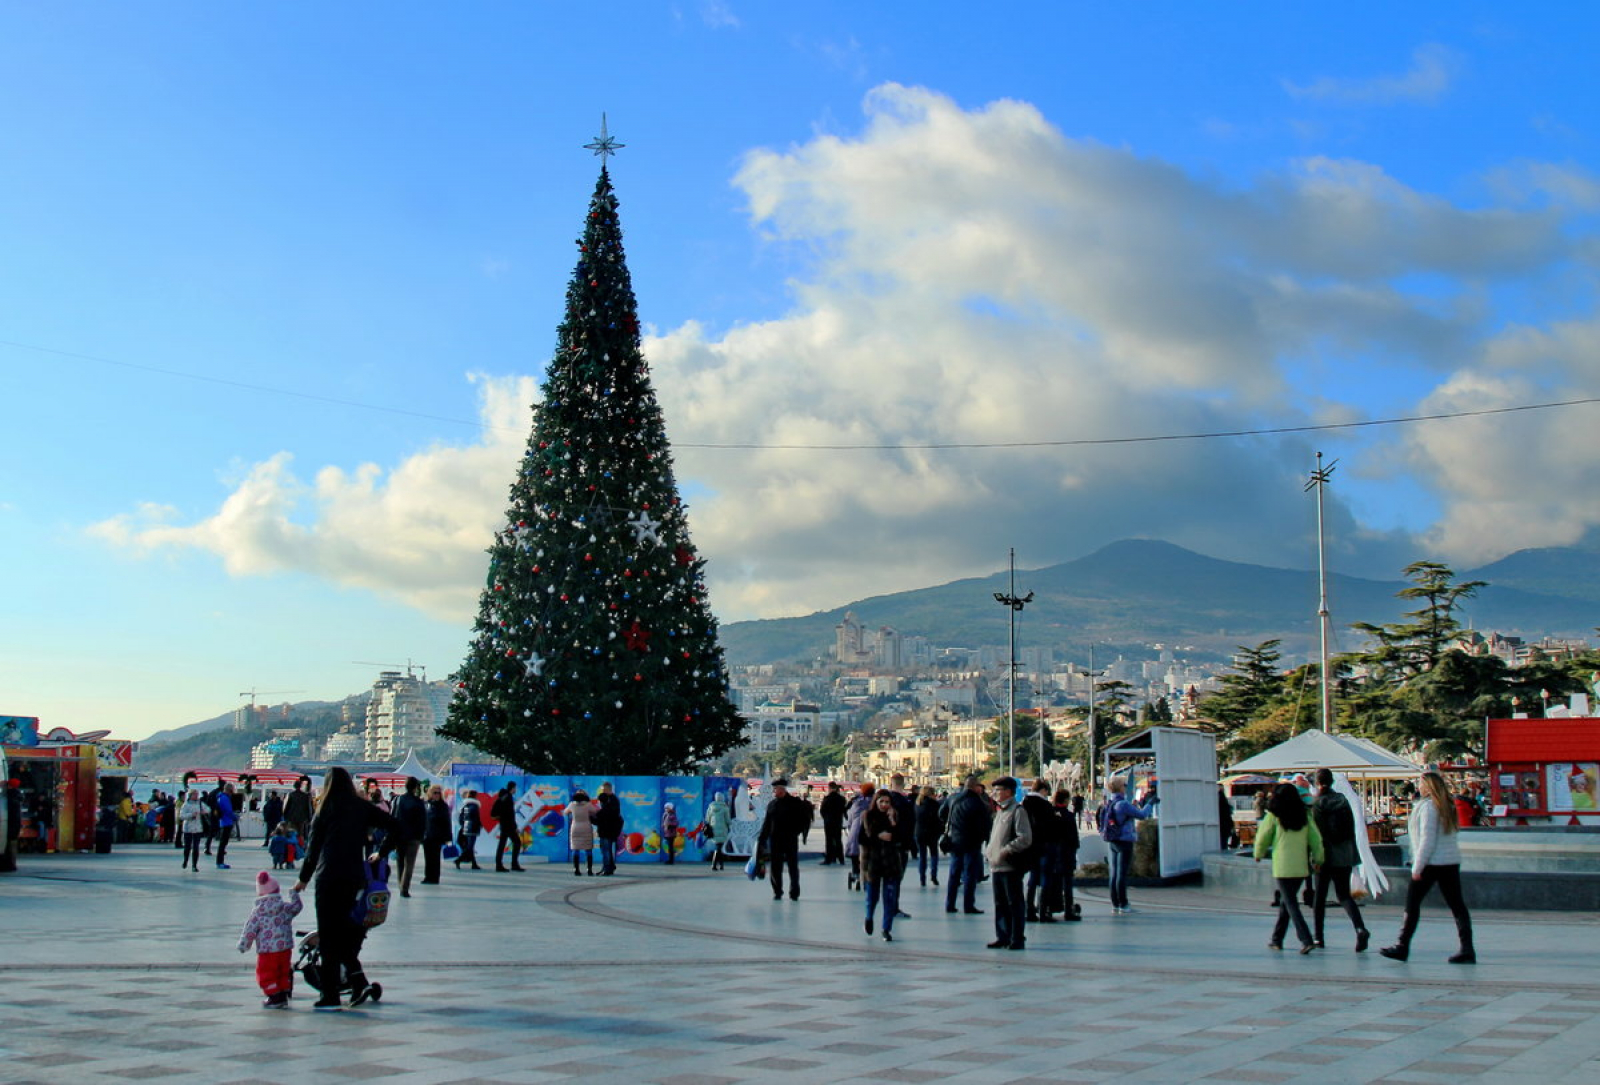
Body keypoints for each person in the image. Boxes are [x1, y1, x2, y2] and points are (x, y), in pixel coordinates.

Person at [292, 766, 404, 1011]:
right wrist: (381, 852)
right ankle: (357, 982)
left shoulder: (324, 811)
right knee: (346, 932)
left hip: (328, 876)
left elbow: (312, 850)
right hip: (354, 877)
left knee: (329, 935)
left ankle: (331, 995)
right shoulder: (362, 808)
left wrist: (303, 879)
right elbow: (396, 826)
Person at [1381, 770, 1476, 964]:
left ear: (1428, 786)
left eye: (1421, 783)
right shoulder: (1446, 805)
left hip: (1431, 863)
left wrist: (1417, 866)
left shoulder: (1428, 807)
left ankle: (1402, 946)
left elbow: (1427, 840)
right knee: (1457, 906)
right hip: (1450, 862)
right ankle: (1467, 949)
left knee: (1412, 904)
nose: (1418, 787)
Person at [1253, 782, 1324, 954]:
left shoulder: (1274, 816)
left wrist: (1258, 853)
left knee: (1291, 904)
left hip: (1282, 866)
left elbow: (1263, 837)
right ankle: (1277, 939)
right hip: (1300, 867)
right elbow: (1316, 840)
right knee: (1287, 902)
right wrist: (1318, 859)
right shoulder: (1305, 816)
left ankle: (1306, 939)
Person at [1310, 769, 1370, 952]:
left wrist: (1316, 857)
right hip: (1344, 854)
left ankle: (1318, 937)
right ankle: (1360, 928)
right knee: (1344, 895)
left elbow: (1317, 834)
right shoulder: (1343, 800)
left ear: (1317, 783)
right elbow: (1350, 828)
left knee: (1319, 898)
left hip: (1326, 856)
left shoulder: (1318, 803)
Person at [238, 871, 303, 1008]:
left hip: (267, 950)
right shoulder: (284, 907)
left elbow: (249, 930)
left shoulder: (258, 911)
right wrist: (293, 893)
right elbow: (297, 907)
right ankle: (283, 993)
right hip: (285, 948)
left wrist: (244, 945)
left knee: (266, 973)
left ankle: (274, 996)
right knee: (282, 970)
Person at [985, 776, 1033, 950]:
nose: (994, 794)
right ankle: (1002, 935)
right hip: (996, 865)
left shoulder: (1017, 811)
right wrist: (990, 852)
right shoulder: (999, 811)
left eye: (998, 790)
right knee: (1000, 903)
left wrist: (1006, 850)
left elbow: (1025, 838)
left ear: (1008, 792)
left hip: (1010, 865)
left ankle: (1017, 937)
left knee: (1014, 903)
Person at [1099, 776, 1157, 914]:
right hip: (1124, 840)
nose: (1126, 787)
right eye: (1124, 784)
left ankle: (1115, 903)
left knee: (1113, 873)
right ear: (1120, 787)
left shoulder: (1109, 803)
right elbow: (1142, 815)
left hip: (1112, 839)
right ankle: (1124, 904)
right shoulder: (1123, 804)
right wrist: (1151, 803)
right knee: (1122, 874)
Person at [860, 789, 907, 942]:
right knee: (872, 896)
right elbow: (862, 839)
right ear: (876, 802)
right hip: (873, 862)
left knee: (890, 898)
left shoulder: (894, 816)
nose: (885, 805)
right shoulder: (867, 816)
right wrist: (877, 836)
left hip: (891, 862)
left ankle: (886, 929)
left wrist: (893, 822)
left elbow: (901, 838)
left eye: (887, 802)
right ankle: (869, 917)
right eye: (882, 802)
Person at [943, 775, 992, 915]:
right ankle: (968, 905)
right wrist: (984, 838)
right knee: (969, 875)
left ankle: (950, 904)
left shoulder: (954, 799)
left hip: (955, 840)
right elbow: (984, 824)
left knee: (954, 873)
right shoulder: (977, 803)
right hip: (971, 842)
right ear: (975, 787)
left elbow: (942, 814)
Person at [758, 778, 811, 902]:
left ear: (782, 789)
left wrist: (796, 832)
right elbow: (767, 823)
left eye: (775, 789)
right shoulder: (772, 804)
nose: (774, 791)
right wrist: (762, 839)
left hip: (790, 839)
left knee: (793, 866)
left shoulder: (795, 803)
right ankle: (777, 891)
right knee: (776, 867)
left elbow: (804, 820)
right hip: (775, 840)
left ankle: (794, 892)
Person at [1022, 780, 1060, 922]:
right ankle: (1044, 911)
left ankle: (1029, 910)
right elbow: (1052, 827)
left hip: (1031, 846)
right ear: (1043, 790)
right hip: (1045, 846)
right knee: (1045, 878)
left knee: (1032, 878)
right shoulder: (1045, 805)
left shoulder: (1024, 803)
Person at [393, 778, 426, 897]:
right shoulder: (418, 802)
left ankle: (400, 883)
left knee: (400, 861)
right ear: (415, 788)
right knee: (409, 863)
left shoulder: (398, 800)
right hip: (413, 836)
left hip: (399, 835)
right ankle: (404, 887)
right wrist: (421, 835)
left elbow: (393, 817)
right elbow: (422, 821)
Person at [1054, 788, 1082, 920]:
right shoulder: (1069, 816)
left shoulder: (1050, 813)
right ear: (1066, 800)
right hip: (1067, 853)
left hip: (1053, 854)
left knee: (1053, 882)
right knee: (1067, 884)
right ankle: (1068, 911)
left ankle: (1052, 907)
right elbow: (1073, 837)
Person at [843, 783, 874, 891]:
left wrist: (850, 828)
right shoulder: (874, 803)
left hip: (855, 834)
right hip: (870, 834)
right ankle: (867, 876)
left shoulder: (856, 803)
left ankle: (855, 873)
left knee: (855, 857)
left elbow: (850, 820)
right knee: (869, 857)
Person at [421, 785, 451, 886]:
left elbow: (447, 822)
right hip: (427, 835)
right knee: (427, 857)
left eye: (439, 793)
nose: (437, 795)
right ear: (430, 793)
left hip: (438, 835)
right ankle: (427, 876)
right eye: (435, 793)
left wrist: (448, 838)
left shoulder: (443, 806)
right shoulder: (426, 804)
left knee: (435, 857)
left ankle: (434, 877)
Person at [913, 786, 942, 888]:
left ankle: (922, 878)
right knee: (934, 854)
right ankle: (933, 876)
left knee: (922, 856)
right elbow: (938, 819)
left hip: (919, 832)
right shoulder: (934, 804)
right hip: (932, 833)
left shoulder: (917, 804)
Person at [493, 782, 524, 872]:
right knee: (517, 842)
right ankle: (514, 864)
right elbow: (510, 814)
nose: (516, 790)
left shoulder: (503, 796)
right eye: (515, 788)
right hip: (508, 825)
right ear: (512, 788)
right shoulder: (508, 798)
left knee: (502, 845)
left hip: (503, 824)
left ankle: (499, 864)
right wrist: (514, 827)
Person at [566, 789, 597, 875]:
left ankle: (576, 869)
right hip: (586, 827)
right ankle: (589, 869)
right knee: (588, 849)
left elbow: (565, 812)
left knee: (575, 849)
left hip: (575, 827)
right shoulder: (588, 805)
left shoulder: (572, 805)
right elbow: (595, 812)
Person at [594, 783, 623, 875]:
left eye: (603, 789)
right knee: (606, 850)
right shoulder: (608, 800)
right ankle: (608, 867)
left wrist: (596, 816)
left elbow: (610, 816)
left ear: (608, 789)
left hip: (608, 830)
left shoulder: (613, 801)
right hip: (606, 830)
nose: (602, 791)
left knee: (606, 850)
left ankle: (607, 869)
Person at [819, 781, 848, 866]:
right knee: (838, 840)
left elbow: (822, 810)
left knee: (829, 841)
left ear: (830, 788)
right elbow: (844, 810)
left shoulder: (827, 798)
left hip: (828, 822)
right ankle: (841, 858)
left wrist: (826, 818)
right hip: (838, 822)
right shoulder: (842, 799)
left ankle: (829, 858)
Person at [455, 789, 483, 871]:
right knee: (470, 847)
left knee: (470, 846)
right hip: (473, 828)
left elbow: (461, 818)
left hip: (466, 828)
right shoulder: (475, 806)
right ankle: (459, 860)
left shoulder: (465, 805)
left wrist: (463, 825)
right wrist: (480, 825)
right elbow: (476, 818)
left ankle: (474, 864)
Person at [179, 789, 206, 871]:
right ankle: (185, 860)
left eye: (197, 794)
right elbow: (181, 816)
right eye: (194, 794)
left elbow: (208, 809)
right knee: (187, 847)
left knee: (196, 847)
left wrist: (204, 812)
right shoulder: (186, 805)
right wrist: (191, 815)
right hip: (188, 828)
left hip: (197, 828)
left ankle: (194, 865)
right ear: (190, 795)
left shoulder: (200, 803)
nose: (196, 796)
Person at [704, 790, 731, 872]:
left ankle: (721, 865)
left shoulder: (711, 807)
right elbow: (728, 821)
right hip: (722, 830)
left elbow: (707, 819)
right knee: (719, 848)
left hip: (713, 830)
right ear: (722, 798)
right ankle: (714, 865)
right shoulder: (725, 808)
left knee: (718, 847)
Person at [214, 783, 239, 869]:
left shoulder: (221, 797)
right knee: (223, 843)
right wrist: (235, 817)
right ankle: (219, 862)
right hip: (226, 822)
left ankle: (220, 861)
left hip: (224, 822)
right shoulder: (224, 798)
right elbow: (228, 811)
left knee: (223, 843)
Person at [284, 779, 313, 844]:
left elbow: (287, 807)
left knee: (292, 832)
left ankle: (293, 846)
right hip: (302, 818)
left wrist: (285, 816)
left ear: (294, 786)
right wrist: (309, 818)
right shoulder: (305, 796)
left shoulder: (291, 795)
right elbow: (308, 808)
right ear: (300, 786)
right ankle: (300, 846)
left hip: (292, 817)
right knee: (300, 833)